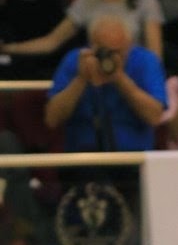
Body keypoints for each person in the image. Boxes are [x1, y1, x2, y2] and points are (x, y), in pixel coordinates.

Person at [45, 14, 166, 149]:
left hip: (133, 155)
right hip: (83, 154)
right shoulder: (75, 60)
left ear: (129, 45)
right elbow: (52, 119)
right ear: (92, 46)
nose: (110, 58)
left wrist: (120, 79)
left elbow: (154, 117)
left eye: (118, 52)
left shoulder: (147, 61)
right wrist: (80, 80)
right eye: (105, 51)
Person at [1, 0, 164, 61]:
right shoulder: (86, 0)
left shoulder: (146, 0)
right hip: (96, 81)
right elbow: (51, 42)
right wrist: (6, 48)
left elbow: (154, 58)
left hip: (135, 82)